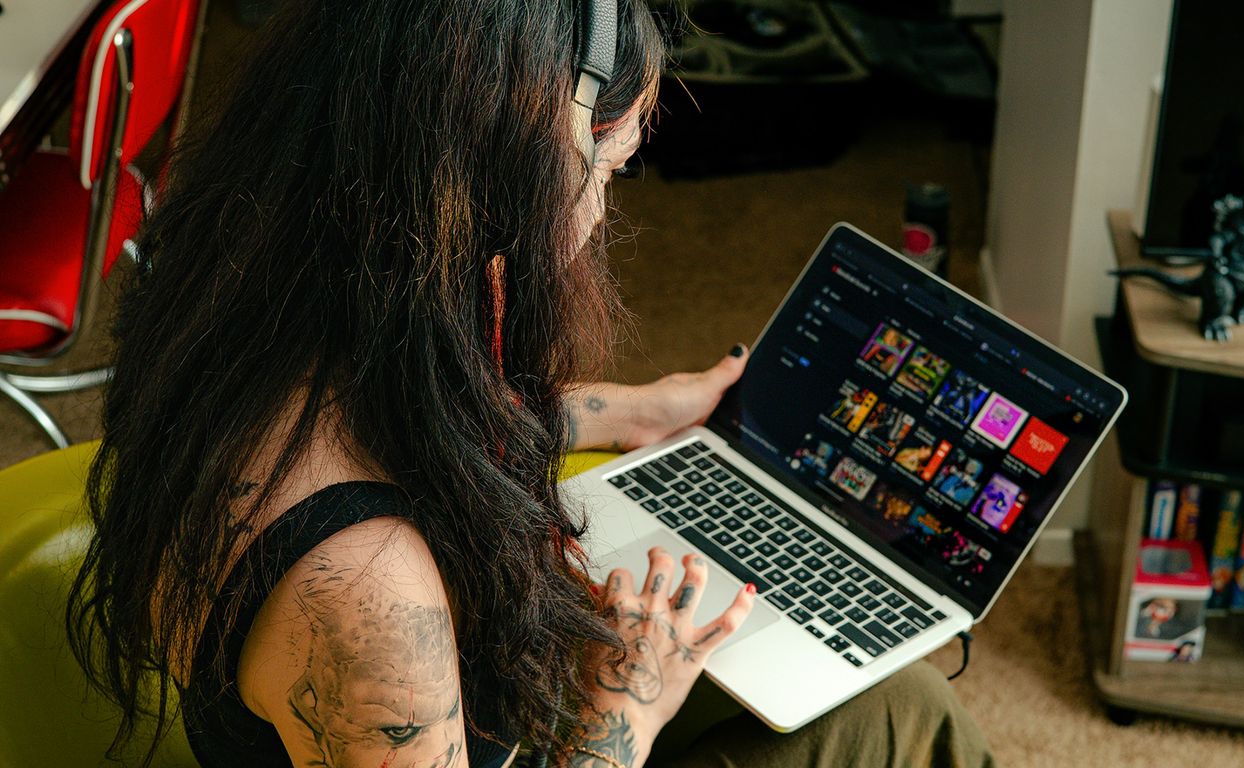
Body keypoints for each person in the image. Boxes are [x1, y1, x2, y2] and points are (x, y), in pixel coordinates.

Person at [66, 2, 994, 767]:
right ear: (517, 166)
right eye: (607, 168)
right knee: (899, 714)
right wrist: (624, 713)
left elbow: (407, 423)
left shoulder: (259, 292)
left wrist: (624, 412)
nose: (598, 215)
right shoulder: (369, 599)